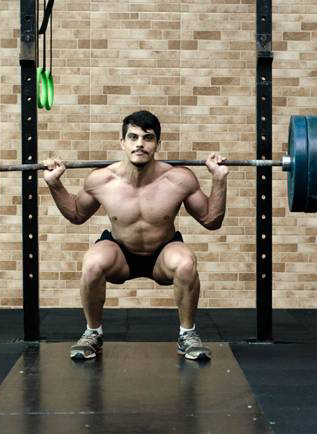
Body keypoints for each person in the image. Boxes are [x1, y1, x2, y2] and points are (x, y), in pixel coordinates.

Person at [43, 110, 228, 361]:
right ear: (122, 142)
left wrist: (219, 180)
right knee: (92, 261)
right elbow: (76, 214)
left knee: (186, 262)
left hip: (163, 253)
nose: (140, 144)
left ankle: (188, 335)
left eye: (148, 138)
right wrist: (55, 184)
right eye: (133, 137)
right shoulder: (102, 180)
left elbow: (211, 220)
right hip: (120, 253)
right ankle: (92, 333)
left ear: (157, 144)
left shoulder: (179, 178)